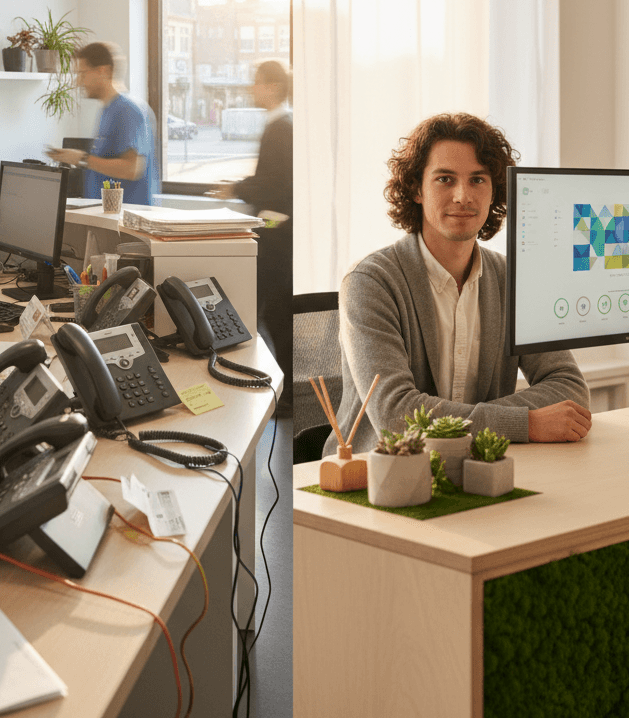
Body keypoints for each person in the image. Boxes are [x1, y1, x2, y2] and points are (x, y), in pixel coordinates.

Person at [329, 112, 591, 455]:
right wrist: (525, 423)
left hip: (479, 467)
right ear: (416, 189)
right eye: (445, 179)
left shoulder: (514, 278)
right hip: (378, 478)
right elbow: (396, 415)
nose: (463, 195)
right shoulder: (370, 282)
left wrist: (487, 424)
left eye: (478, 180)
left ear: (494, 189)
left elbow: (570, 387)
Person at [214, 61, 293, 412]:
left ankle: (272, 390)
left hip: (277, 236)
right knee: (270, 314)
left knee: (261, 313)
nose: (251, 89)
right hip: (277, 232)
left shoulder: (280, 128)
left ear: (273, 87)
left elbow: (274, 185)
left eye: (257, 83)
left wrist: (236, 188)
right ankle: (281, 391)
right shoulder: (281, 125)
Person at [45, 42, 160, 206]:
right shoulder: (107, 110)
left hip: (126, 221)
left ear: (102, 71)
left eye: (82, 74)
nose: (77, 82)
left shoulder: (129, 111)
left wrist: (81, 158)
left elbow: (132, 169)